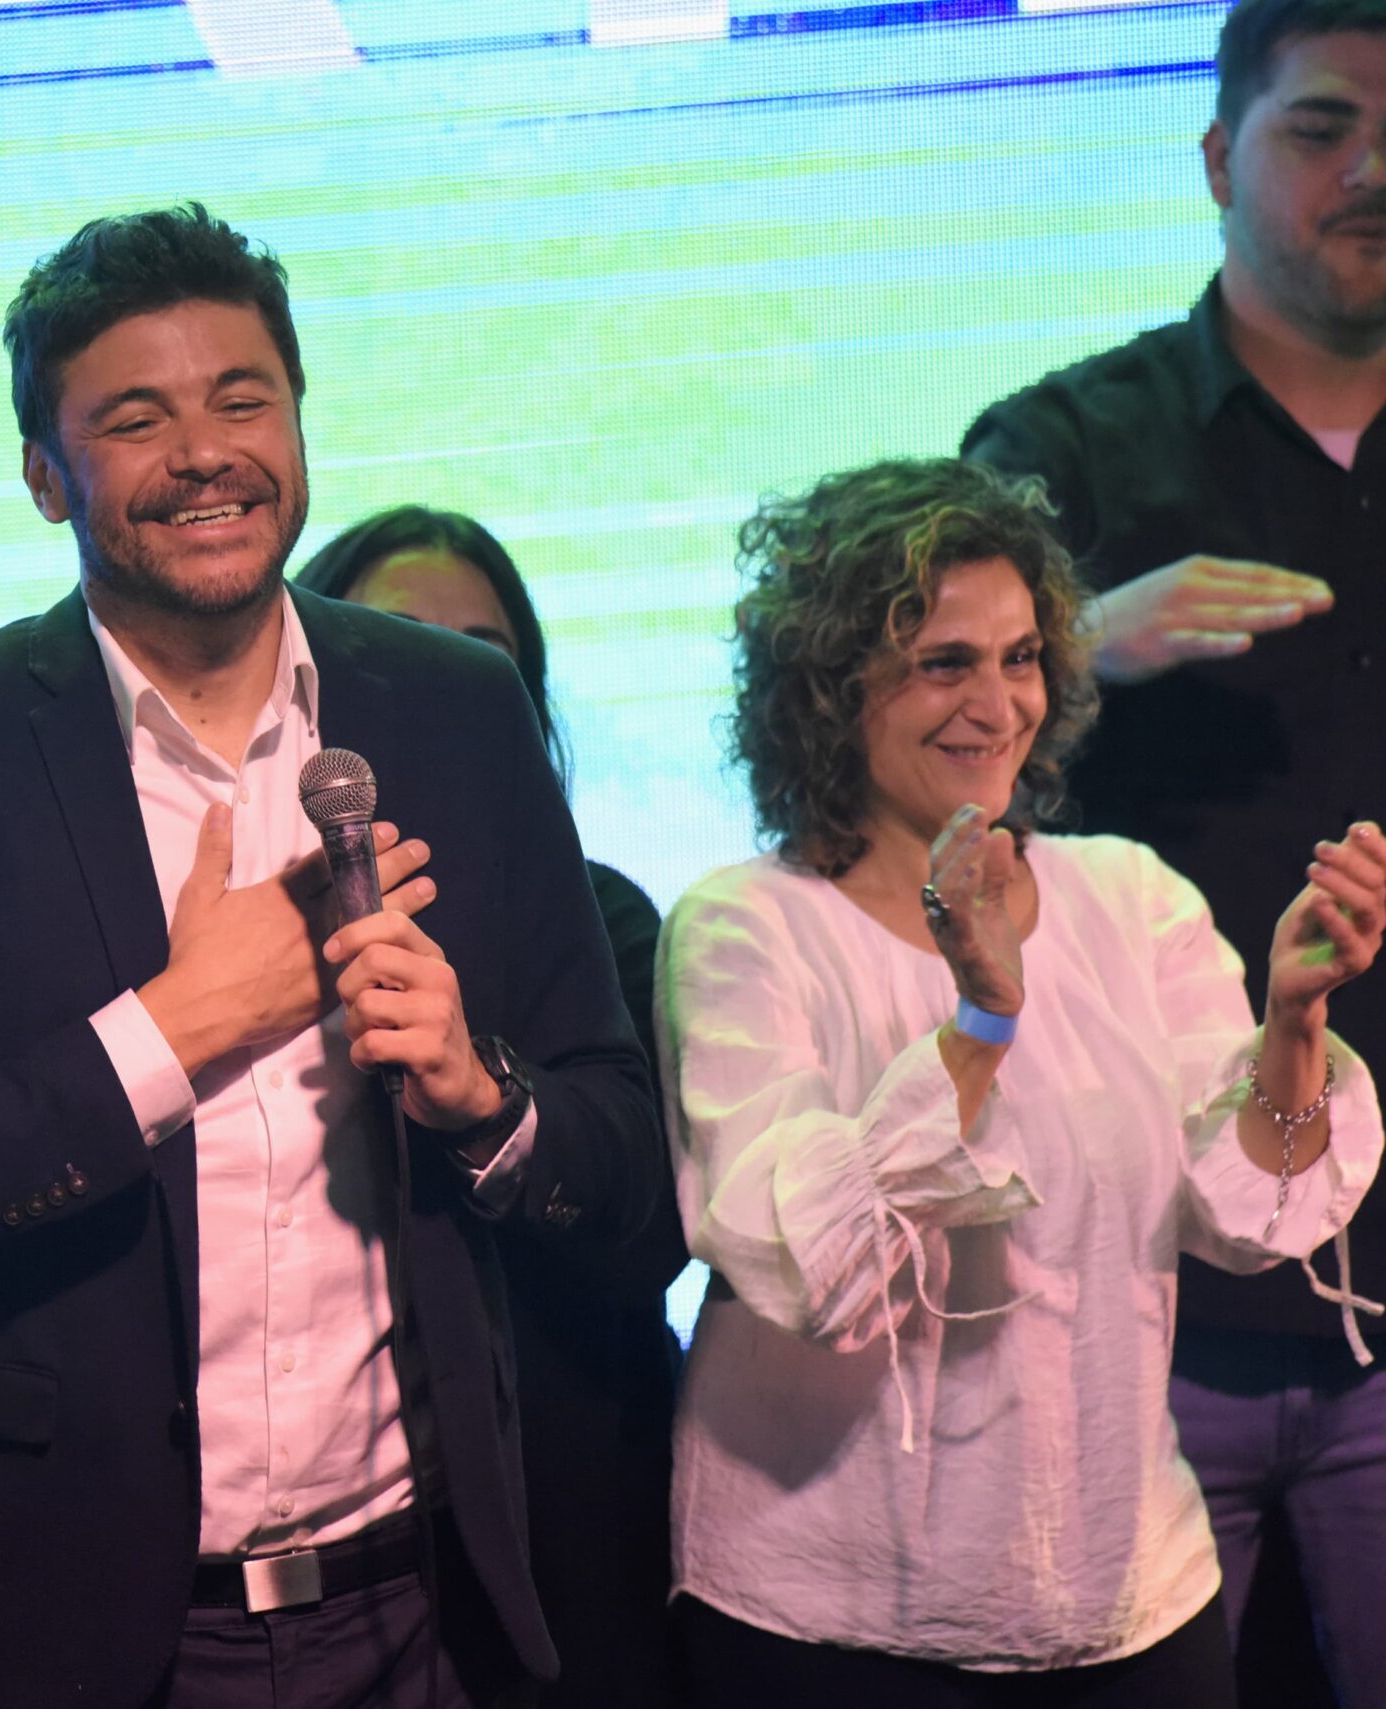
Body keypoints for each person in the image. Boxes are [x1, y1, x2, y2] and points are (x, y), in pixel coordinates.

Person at [0, 204, 662, 1709]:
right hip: (70, 1634)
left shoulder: (455, 710)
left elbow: (625, 1160)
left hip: (419, 1609)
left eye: (242, 401)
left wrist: (480, 1093)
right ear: (46, 476)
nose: (204, 454)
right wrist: (176, 1026)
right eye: (136, 419)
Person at [656, 458, 1384, 1706]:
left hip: (1126, 1593)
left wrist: (1292, 1023)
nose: (994, 705)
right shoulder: (744, 926)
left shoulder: (1128, 895)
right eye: (944, 662)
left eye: (1019, 658)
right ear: (829, 687)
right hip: (828, 1613)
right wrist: (981, 1019)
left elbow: (1245, 1214)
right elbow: (807, 1264)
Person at [961, 2, 1386, 1689]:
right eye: (1321, 129)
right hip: (1135, 1293)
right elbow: (906, 794)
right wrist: (1076, 645)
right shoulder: (1055, 453)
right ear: (1218, 158)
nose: (1372, 173)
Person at [294, 506, 684, 1709]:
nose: (443, 680)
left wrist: (484, 1102)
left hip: (565, 1512)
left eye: (484, 657)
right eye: (398, 640)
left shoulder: (603, 921)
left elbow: (650, 1234)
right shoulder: (242, 930)